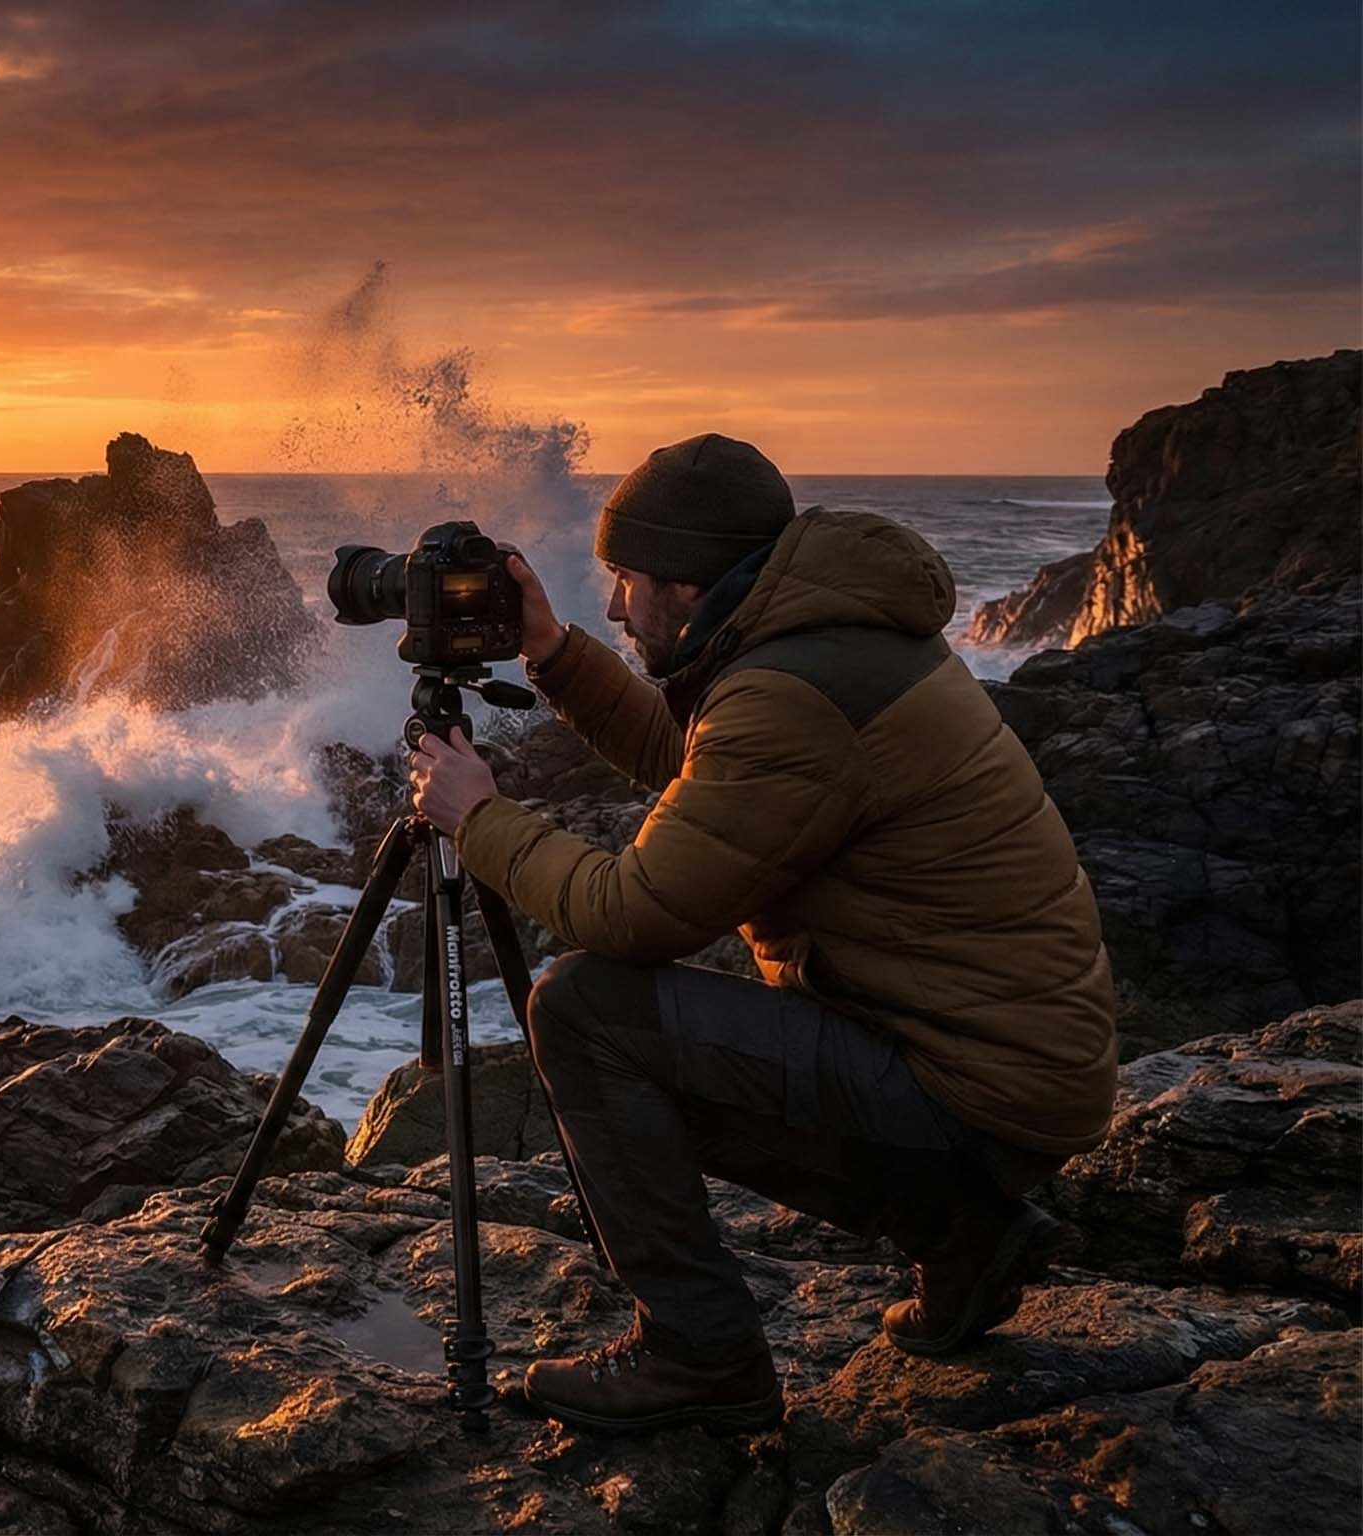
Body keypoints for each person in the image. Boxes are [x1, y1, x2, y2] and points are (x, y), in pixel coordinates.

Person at [406, 432, 1117, 1435]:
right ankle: (963, 1233)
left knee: (584, 1012)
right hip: (1005, 1062)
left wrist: (479, 821)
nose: (613, 606)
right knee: (636, 1032)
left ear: (690, 589)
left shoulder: (788, 693)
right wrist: (554, 656)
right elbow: (706, 774)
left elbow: (633, 913)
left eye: (625, 581)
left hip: (973, 1081)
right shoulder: (826, 642)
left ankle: (701, 1356)